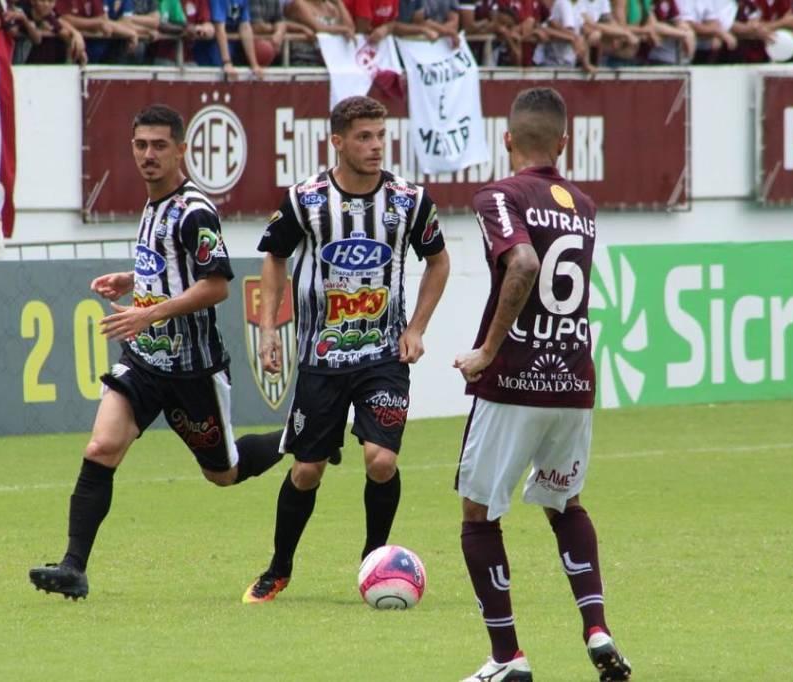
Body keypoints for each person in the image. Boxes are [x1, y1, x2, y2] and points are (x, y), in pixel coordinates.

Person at [28, 104, 284, 601]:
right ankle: (73, 567)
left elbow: (216, 287)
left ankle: (302, 432)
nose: (148, 155)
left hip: (193, 370)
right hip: (146, 360)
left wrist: (149, 311)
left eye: (159, 146)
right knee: (101, 448)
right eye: (141, 145)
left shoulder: (195, 212)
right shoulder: (153, 204)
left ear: (181, 150)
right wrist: (134, 280)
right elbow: (172, 268)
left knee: (224, 474)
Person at [242, 95, 450, 604]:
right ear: (337, 141)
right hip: (321, 359)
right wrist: (269, 329)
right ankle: (279, 568)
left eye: (381, 135)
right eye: (364, 137)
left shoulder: (409, 200)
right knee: (307, 470)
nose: (376, 146)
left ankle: (373, 561)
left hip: (384, 355)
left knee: (380, 461)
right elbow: (274, 258)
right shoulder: (305, 200)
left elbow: (439, 262)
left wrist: (417, 327)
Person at [453, 87, 631, 682]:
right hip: (573, 379)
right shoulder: (582, 203)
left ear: (507, 139)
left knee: (478, 516)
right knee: (565, 504)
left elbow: (524, 264)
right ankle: (598, 627)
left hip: (513, 384)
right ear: (565, 141)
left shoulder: (499, 196)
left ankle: (508, 659)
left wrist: (487, 350)